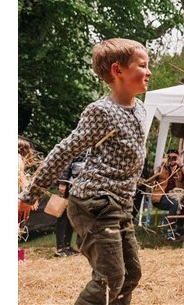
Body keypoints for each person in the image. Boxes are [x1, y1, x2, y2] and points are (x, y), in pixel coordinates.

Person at [18, 37, 151, 304]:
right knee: (110, 278)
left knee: (131, 275)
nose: (149, 71)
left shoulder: (141, 110)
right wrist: (29, 195)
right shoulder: (101, 111)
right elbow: (64, 151)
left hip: (120, 205)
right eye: (142, 65)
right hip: (94, 203)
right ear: (118, 70)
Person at [150, 149, 184, 240]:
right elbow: (151, 177)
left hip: (177, 196)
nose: (172, 160)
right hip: (160, 197)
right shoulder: (162, 168)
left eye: (175, 158)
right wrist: (160, 165)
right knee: (174, 203)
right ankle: (170, 233)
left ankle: (179, 229)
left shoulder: (179, 169)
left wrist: (181, 164)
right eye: (170, 157)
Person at [54, 154, 85, 257]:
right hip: (69, 185)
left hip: (80, 186)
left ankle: (67, 246)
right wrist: (62, 182)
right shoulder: (77, 146)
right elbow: (66, 163)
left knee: (71, 216)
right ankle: (60, 248)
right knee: (62, 216)